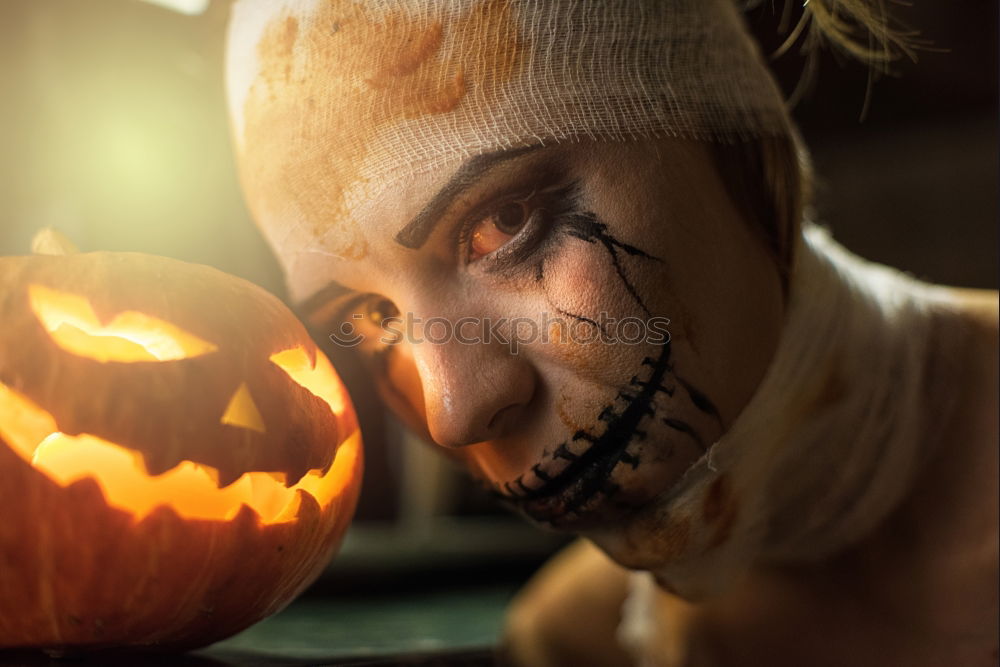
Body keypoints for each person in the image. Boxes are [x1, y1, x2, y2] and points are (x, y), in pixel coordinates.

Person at [225, 1, 998, 665]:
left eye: (504, 222)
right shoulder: (578, 642)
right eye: (370, 318)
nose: (452, 409)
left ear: (732, 123)